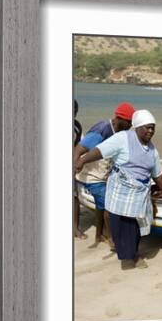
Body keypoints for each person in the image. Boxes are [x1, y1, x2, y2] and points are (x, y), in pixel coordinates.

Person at [76, 110, 162, 269]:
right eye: (147, 127)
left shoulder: (152, 150)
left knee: (136, 227)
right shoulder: (123, 138)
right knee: (122, 225)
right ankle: (128, 257)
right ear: (138, 127)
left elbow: (157, 174)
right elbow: (100, 150)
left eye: (153, 128)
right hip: (121, 191)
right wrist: (83, 160)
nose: (151, 131)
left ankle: (133, 254)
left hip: (140, 193)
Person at [74, 102, 135, 248]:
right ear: (120, 119)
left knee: (102, 205)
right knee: (109, 204)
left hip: (103, 175)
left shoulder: (121, 132)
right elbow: (78, 149)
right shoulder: (101, 129)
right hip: (91, 176)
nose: (131, 125)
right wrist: (76, 166)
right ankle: (112, 238)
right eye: (129, 122)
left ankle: (99, 235)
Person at [73, 100, 86, 240]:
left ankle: (75, 228)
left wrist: (77, 163)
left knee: (74, 196)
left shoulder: (77, 126)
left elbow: (77, 147)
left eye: (75, 110)